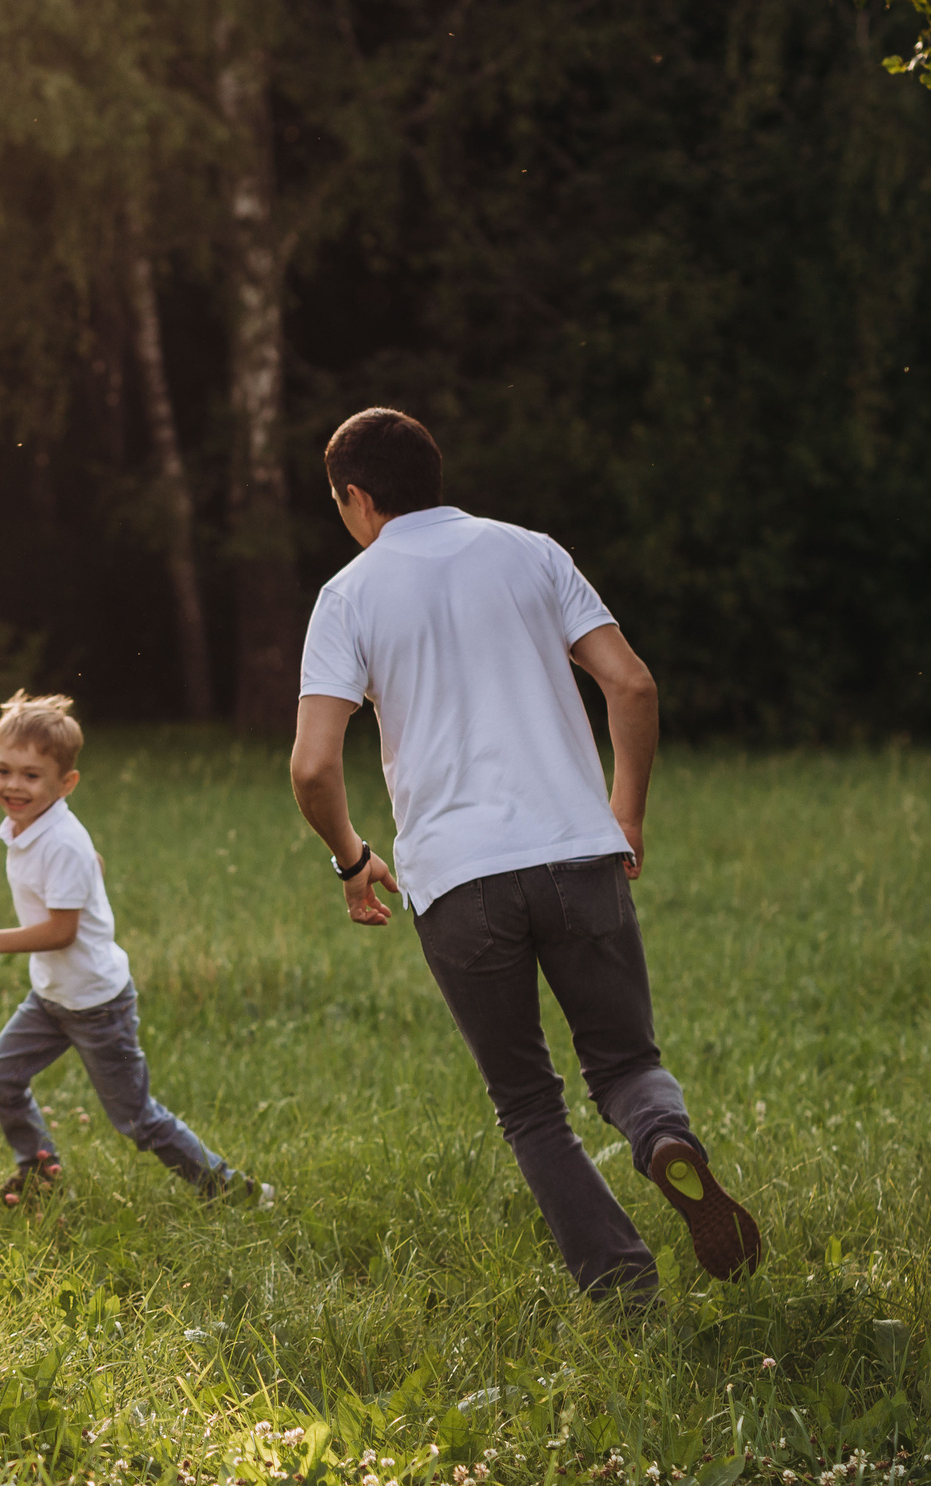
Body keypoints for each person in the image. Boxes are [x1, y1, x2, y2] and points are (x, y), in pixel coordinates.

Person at [288, 407, 762, 1297]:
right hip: (579, 854)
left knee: (530, 1104)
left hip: (458, 880)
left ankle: (623, 1286)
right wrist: (626, 813)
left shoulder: (348, 595)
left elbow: (313, 767)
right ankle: (664, 1136)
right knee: (626, 1063)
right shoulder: (532, 551)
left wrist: (352, 859)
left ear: (356, 497)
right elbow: (632, 684)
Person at [0, 691, 270, 1209]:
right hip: (53, 996)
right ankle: (40, 1170)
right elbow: (77, 870)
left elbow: (61, 932)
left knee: (136, 1120)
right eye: (4, 770)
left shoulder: (60, 841)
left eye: (31, 775)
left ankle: (236, 1192)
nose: (13, 785)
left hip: (97, 1005)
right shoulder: (30, 826)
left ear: (65, 784)